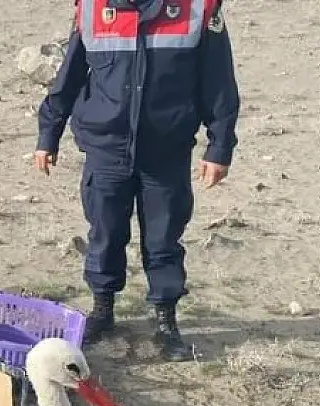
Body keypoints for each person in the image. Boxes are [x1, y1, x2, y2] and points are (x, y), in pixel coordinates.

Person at [34, 0, 240, 360]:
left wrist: (219, 146)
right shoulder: (92, 9)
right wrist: (48, 135)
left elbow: (219, 82)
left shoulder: (198, 9)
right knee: (105, 232)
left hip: (166, 152)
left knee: (163, 240)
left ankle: (165, 320)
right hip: (107, 149)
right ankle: (102, 309)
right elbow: (70, 76)